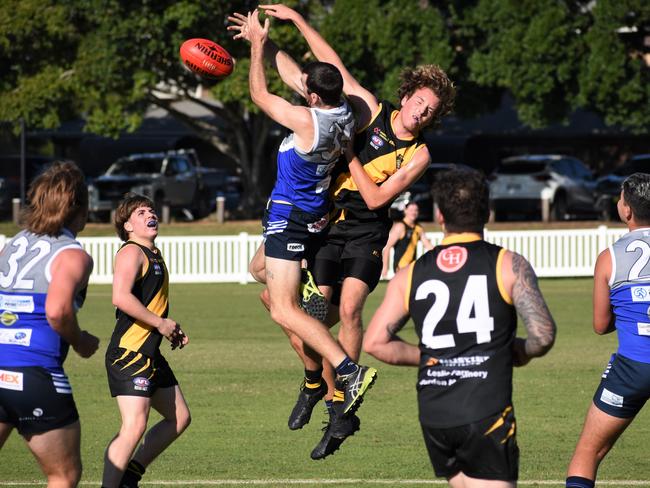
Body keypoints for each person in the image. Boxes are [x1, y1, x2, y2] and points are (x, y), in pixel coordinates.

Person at [260, 3, 456, 459]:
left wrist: (346, 151)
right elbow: (326, 68)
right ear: (405, 96)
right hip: (327, 225)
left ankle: (338, 412)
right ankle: (317, 385)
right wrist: (293, 25)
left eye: (431, 111)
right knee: (297, 312)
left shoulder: (419, 155)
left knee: (348, 309)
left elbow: (374, 199)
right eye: (419, 103)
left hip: (367, 233)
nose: (421, 113)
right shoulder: (369, 107)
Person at [227, 9, 377, 442]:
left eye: (305, 90)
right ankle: (308, 293)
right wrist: (265, 39)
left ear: (312, 97)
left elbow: (259, 94)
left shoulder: (307, 121)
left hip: (289, 218)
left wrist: (256, 50)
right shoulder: (350, 109)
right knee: (259, 270)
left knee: (282, 308)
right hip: (311, 215)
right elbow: (297, 75)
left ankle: (348, 371)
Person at [363, 169, 556, 487]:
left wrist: (434, 356)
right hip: (485, 410)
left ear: (439, 215)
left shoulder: (410, 274)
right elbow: (543, 335)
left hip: (435, 414)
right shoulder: (508, 264)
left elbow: (375, 343)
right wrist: (513, 352)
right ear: (488, 213)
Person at [0, 161, 100, 488]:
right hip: (35, 373)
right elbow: (57, 311)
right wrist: (80, 340)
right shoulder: (72, 255)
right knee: (63, 475)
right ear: (79, 207)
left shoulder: (12, 245)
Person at [565, 173, 650, 488]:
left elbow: (600, 326)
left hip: (632, 368)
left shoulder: (609, 257)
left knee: (588, 452)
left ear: (626, 210)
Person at [102, 194, 190, 488]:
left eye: (151, 210)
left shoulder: (154, 253)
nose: (149, 214)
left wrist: (169, 328)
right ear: (127, 225)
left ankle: (130, 476)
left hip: (150, 352)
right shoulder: (131, 252)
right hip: (129, 353)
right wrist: (160, 323)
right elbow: (120, 297)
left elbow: (151, 302)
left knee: (179, 418)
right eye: (140, 212)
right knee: (134, 425)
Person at [381, 201, 434, 278]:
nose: (414, 212)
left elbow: (427, 245)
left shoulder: (418, 228)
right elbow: (387, 247)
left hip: (412, 267)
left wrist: (439, 252)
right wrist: (385, 267)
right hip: (401, 267)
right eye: (411, 210)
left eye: (416, 210)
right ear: (405, 211)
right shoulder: (400, 227)